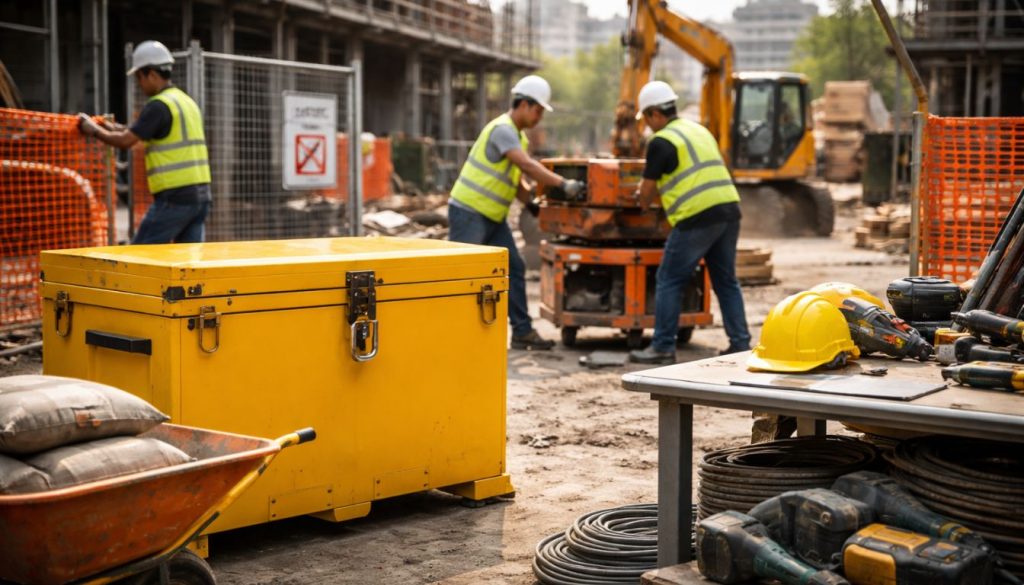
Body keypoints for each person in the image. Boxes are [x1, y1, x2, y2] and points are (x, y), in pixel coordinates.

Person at [448, 75, 583, 350]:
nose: (539, 118)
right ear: (523, 104)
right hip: (470, 212)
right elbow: (527, 166)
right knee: (463, 275)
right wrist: (563, 184)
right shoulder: (503, 130)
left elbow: (516, 179)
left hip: (492, 218)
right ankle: (452, 333)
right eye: (538, 110)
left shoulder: (517, 136)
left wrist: (532, 203)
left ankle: (522, 331)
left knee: (514, 267)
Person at [628, 81, 751, 364]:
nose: (647, 125)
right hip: (729, 210)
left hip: (697, 217)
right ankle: (740, 343)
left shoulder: (660, 141)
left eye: (647, 118)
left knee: (669, 279)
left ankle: (661, 347)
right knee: (726, 281)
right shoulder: (699, 130)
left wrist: (640, 198)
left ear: (656, 113)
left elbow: (646, 196)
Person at [78, 40, 211, 244]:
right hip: (201, 196)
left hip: (174, 198)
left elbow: (125, 141)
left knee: (141, 256)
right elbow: (138, 131)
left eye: (139, 77)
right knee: (189, 264)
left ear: (152, 74)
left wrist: (93, 129)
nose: (140, 84)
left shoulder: (158, 105)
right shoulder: (185, 101)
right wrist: (109, 126)